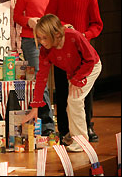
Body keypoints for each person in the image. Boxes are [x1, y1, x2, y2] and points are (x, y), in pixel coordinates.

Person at [22, 14, 102, 152]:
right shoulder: (45, 50)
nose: (42, 41)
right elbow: (41, 77)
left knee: (74, 101)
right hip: (74, 72)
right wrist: (35, 107)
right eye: (39, 38)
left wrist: (78, 79)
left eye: (44, 37)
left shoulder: (73, 36)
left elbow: (90, 59)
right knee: (70, 103)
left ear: (56, 34)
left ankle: (82, 141)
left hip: (90, 66)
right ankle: (76, 137)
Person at [45, 0, 103, 142]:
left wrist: (85, 35)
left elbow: (97, 24)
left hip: (83, 52)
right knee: (62, 91)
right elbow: (49, 18)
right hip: (62, 50)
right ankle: (64, 129)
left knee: (84, 93)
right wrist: (63, 26)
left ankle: (87, 127)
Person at [13, 0, 57, 136]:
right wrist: (28, 21)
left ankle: (61, 119)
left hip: (53, 40)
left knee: (58, 81)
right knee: (41, 79)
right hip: (32, 41)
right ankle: (47, 124)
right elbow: (16, 15)